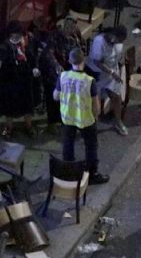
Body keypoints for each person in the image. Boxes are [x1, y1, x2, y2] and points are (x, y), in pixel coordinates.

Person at [53, 47, 109, 185]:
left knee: (68, 144)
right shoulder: (89, 81)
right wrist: (96, 116)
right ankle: (92, 174)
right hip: (85, 119)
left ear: (69, 61)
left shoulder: (63, 76)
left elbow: (55, 96)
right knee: (91, 146)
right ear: (83, 60)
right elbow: (96, 105)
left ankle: (69, 173)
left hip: (68, 117)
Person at [0, 21, 38, 137]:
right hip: (9, 81)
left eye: (19, 33)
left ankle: (28, 126)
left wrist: (35, 68)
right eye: (15, 34)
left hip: (25, 80)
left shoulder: (26, 43)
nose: (17, 36)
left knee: (27, 105)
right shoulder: (4, 47)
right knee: (9, 107)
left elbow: (33, 57)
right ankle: (8, 128)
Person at [39, 17, 84, 135]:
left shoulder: (75, 37)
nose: (70, 29)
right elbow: (49, 53)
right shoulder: (54, 36)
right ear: (64, 25)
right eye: (68, 26)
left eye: (73, 27)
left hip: (68, 71)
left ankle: (63, 119)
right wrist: (57, 66)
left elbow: (80, 49)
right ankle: (52, 123)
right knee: (52, 97)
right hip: (53, 72)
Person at [88, 25, 129, 136]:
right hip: (98, 74)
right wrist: (111, 72)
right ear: (113, 35)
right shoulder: (99, 42)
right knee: (95, 103)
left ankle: (118, 122)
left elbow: (117, 56)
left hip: (112, 74)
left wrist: (120, 63)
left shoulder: (118, 43)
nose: (118, 43)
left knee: (116, 97)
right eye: (118, 40)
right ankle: (92, 127)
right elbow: (97, 62)